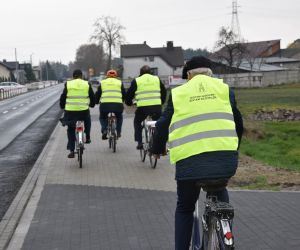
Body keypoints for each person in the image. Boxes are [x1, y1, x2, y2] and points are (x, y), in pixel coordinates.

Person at [151, 56, 243, 250]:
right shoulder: (225, 90)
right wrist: (233, 149)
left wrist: (157, 148)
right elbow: (238, 124)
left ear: (189, 75)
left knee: (185, 207)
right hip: (225, 159)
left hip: (189, 163)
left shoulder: (178, 93)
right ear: (210, 73)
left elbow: (161, 126)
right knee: (218, 187)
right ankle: (224, 225)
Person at [125, 65, 167, 149]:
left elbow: (129, 94)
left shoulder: (137, 80)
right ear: (151, 72)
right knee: (158, 124)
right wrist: (161, 102)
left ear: (140, 73)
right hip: (157, 107)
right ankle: (160, 144)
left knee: (137, 122)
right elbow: (164, 91)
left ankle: (139, 142)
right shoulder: (156, 79)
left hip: (142, 109)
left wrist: (129, 103)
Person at [60, 69, 95, 158]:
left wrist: (62, 106)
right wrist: (92, 104)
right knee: (87, 120)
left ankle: (72, 150)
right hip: (83, 111)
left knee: (71, 129)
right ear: (81, 76)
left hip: (70, 112)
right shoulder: (87, 84)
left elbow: (63, 97)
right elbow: (92, 96)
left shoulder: (68, 84)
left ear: (73, 76)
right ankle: (87, 137)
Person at [95, 69, 126, 139]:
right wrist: (123, 101)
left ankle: (104, 129)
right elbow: (124, 94)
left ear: (107, 75)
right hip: (118, 105)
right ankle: (118, 132)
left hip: (105, 105)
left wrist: (96, 101)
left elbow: (98, 94)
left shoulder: (103, 82)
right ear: (116, 76)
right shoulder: (119, 82)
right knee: (119, 117)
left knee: (102, 117)